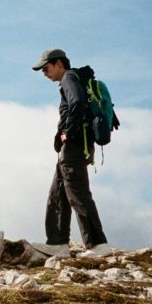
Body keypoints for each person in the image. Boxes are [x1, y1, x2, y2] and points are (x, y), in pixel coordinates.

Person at [32, 49, 111, 257]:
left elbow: (77, 102)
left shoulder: (68, 77)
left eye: (46, 68)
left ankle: (98, 245)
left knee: (78, 193)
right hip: (76, 147)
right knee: (58, 193)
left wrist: (67, 130)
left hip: (74, 146)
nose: (44, 73)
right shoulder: (74, 78)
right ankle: (58, 244)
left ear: (59, 63)